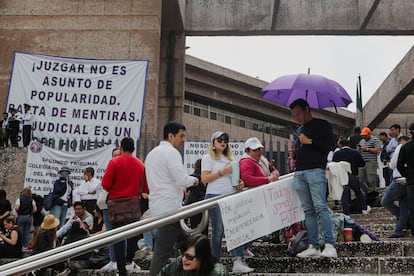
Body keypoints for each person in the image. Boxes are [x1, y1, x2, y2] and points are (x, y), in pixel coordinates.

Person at [145, 121, 199, 276]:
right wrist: (194, 180)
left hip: (160, 206)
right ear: (170, 136)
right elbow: (182, 179)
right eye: (181, 136)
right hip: (171, 210)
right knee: (162, 252)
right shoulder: (171, 153)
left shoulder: (152, 153)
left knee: (188, 245)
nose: (184, 140)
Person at [289, 98, 337, 258]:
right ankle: (313, 245)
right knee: (308, 211)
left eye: (298, 113)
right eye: (294, 115)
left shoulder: (322, 124)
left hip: (316, 170)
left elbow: (330, 145)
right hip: (300, 171)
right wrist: (296, 149)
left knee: (320, 207)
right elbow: (299, 149)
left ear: (307, 109)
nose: (296, 117)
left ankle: (330, 244)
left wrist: (309, 141)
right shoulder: (299, 129)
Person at [201, 131, 253, 273]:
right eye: (219, 139)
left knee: (234, 228)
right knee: (218, 230)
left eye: (225, 139)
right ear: (213, 142)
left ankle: (237, 260)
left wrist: (239, 182)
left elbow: (234, 179)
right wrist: (222, 172)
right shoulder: (207, 158)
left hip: (230, 195)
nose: (223, 142)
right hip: (214, 195)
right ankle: (214, 261)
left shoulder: (230, 158)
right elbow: (204, 179)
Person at [102, 137, 149, 276]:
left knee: (117, 237)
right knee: (132, 234)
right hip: (134, 205)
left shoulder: (114, 162)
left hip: (116, 205)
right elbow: (145, 188)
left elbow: (106, 184)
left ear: (121, 148)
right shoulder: (141, 164)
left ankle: (122, 269)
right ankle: (130, 260)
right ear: (134, 149)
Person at [157, 234, 228, 276]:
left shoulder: (218, 272)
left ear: (201, 258)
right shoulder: (179, 263)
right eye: (182, 254)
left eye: (189, 257)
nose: (184, 259)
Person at [381, 135, 410, 238]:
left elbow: (393, 164)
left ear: (401, 141)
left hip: (398, 179)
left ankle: (406, 220)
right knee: (404, 206)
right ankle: (399, 230)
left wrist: (388, 164)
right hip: (409, 180)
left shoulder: (400, 147)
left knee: (385, 201)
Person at [332, 137, 369, 215]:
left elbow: (334, 166)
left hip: (342, 177)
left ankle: (346, 212)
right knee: (358, 193)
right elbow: (362, 164)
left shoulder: (337, 154)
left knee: (344, 196)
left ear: (340, 144)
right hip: (353, 175)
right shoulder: (355, 152)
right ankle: (364, 208)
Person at [98, 147, 120, 271]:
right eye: (114, 155)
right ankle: (113, 259)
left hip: (118, 205)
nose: (116, 157)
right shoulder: (110, 168)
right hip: (107, 205)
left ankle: (120, 259)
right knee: (110, 233)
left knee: (120, 234)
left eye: (118, 155)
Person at [357, 127, 381, 205]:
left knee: (371, 180)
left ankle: (373, 195)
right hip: (362, 162)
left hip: (371, 162)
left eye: (365, 135)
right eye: (363, 135)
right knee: (359, 180)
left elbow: (377, 150)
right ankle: (368, 193)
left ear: (369, 134)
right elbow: (360, 150)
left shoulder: (375, 140)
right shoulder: (361, 141)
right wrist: (359, 149)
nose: (363, 137)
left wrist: (367, 149)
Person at [397, 123, 414, 236]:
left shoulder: (405, 146)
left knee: (412, 207)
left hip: (412, 181)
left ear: (410, 133)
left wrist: (407, 175)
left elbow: (399, 165)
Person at [184, 158, 208, 235]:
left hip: (192, 203)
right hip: (204, 203)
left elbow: (186, 190)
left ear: (196, 166)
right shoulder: (206, 178)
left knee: (193, 226)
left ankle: (194, 243)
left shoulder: (192, 177)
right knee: (204, 227)